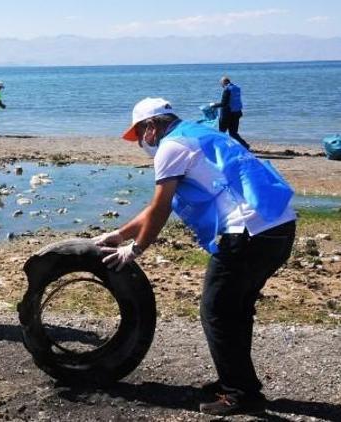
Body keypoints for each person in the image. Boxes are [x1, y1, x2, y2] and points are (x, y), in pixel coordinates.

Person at [94, 97, 296, 416]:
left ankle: (241, 393)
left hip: (249, 232)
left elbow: (160, 208)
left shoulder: (171, 147)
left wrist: (135, 249)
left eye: (139, 135)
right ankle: (238, 381)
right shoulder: (197, 133)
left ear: (151, 126)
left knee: (215, 310)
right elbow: (155, 208)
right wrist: (120, 235)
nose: (140, 144)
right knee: (235, 309)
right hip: (278, 226)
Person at [210, 76, 250, 150]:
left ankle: (220, 148)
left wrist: (213, 105)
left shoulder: (227, 90)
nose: (221, 86)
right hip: (237, 113)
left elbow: (223, 103)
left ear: (224, 82)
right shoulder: (236, 88)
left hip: (227, 115)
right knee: (233, 133)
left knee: (221, 133)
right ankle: (245, 146)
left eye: (221, 84)